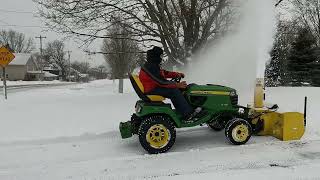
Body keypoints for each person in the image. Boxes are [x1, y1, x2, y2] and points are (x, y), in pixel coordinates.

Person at [139, 46, 206, 122]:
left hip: (152, 86)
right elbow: (161, 82)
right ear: (156, 55)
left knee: (181, 88)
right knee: (173, 91)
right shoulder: (151, 66)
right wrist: (177, 85)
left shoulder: (152, 64)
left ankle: (186, 109)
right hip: (152, 89)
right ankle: (188, 114)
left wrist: (176, 74)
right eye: (161, 55)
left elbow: (164, 73)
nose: (161, 58)